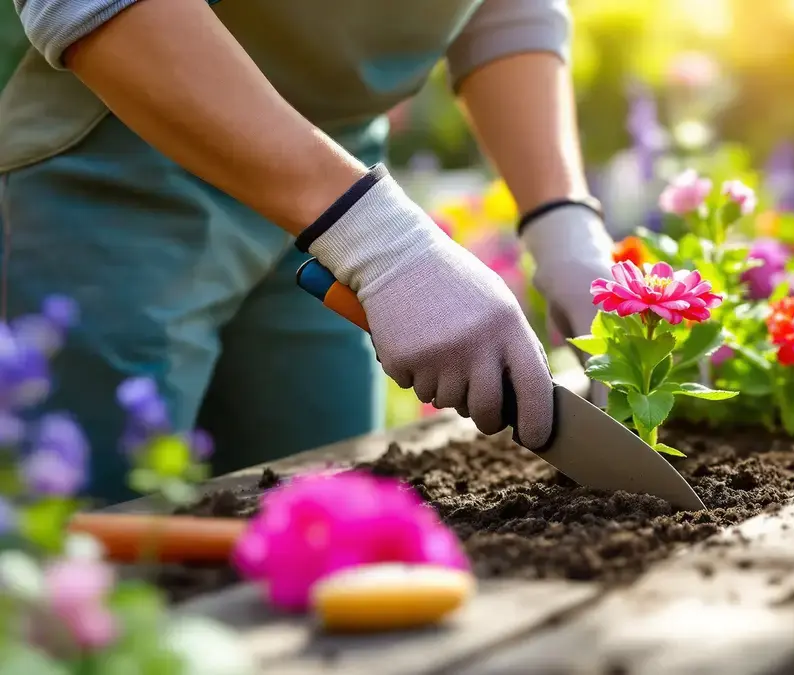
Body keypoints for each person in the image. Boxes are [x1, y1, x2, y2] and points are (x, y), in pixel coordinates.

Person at [0, 0, 616, 504]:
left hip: (339, 190)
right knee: (82, 539)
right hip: (118, 175)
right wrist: (381, 242)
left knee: (320, 517)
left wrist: (560, 217)